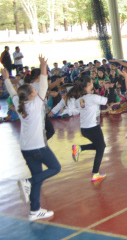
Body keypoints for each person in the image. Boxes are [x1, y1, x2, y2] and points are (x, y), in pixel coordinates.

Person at [3, 56, 61, 221]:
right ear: (30, 95)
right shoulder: (36, 104)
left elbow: (13, 92)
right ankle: (27, 182)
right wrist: (44, 67)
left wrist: (7, 79)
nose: (36, 90)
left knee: (38, 176)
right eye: (33, 90)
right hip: (38, 146)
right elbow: (43, 84)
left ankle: (34, 210)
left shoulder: (20, 104)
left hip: (25, 148)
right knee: (55, 168)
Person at [66, 76, 112, 182]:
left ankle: (79, 148)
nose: (92, 83)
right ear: (88, 85)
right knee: (101, 148)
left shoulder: (79, 100)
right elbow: (106, 100)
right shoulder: (92, 97)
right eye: (91, 82)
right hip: (93, 128)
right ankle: (95, 173)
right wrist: (106, 89)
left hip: (84, 129)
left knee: (99, 146)